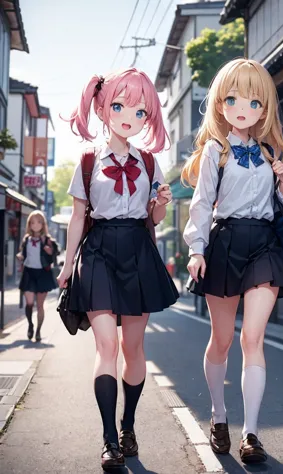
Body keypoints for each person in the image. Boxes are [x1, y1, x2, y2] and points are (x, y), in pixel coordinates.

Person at [57, 68, 179, 469]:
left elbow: (156, 218)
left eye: (140, 110)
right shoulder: (90, 161)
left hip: (138, 251)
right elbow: (78, 218)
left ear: (149, 117)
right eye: (119, 105)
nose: (129, 116)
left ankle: (128, 425)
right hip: (98, 253)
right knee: (106, 346)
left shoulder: (148, 161)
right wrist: (67, 262)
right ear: (103, 108)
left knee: (133, 347)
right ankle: (109, 439)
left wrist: (160, 200)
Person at [182, 58, 283, 464]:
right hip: (226, 242)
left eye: (251, 101)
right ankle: (218, 415)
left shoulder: (269, 152)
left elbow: (280, 207)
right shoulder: (216, 150)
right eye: (232, 99)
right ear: (220, 104)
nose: (242, 107)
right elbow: (201, 205)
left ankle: (251, 433)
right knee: (223, 340)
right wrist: (196, 249)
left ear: (263, 108)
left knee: (253, 338)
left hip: (265, 245)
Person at [17, 210, 58, 342]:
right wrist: (20, 256)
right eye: (33, 222)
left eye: (39, 222)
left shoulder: (47, 240)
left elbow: (53, 256)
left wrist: (49, 251)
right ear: (29, 224)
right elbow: (23, 254)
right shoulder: (26, 239)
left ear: (43, 224)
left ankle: (39, 331)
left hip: (42, 274)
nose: (36, 225)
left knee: (40, 305)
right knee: (29, 303)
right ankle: (30, 325)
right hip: (29, 272)